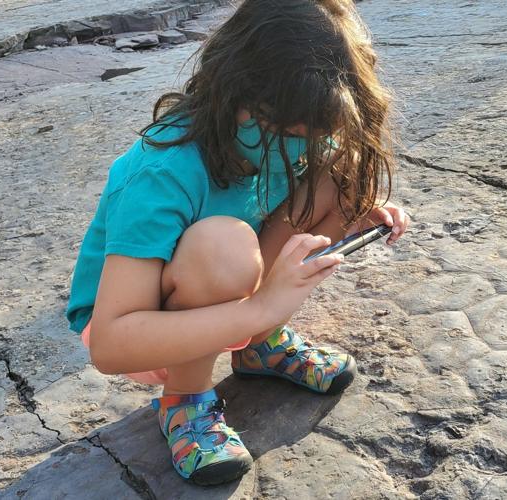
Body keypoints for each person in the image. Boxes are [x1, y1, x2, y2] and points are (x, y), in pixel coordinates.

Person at [63, 0, 409, 486]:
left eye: (316, 133)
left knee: (342, 174)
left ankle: (258, 346)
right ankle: (184, 399)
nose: (301, 146)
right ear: (231, 90)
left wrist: (361, 207)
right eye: (284, 132)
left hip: (227, 289)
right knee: (222, 245)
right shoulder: (164, 170)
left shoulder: (295, 132)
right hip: (138, 323)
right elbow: (111, 345)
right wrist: (260, 308)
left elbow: (325, 166)